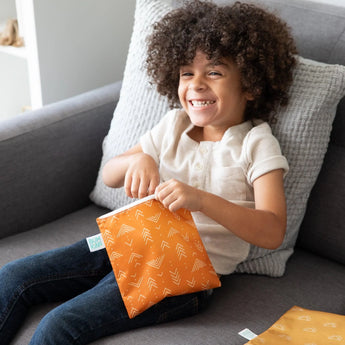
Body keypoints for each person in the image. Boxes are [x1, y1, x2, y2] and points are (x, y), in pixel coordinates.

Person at [0, 1, 297, 344]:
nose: (196, 84)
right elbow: (112, 174)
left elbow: (272, 230)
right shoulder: (173, 125)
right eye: (187, 73)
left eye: (214, 72)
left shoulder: (257, 143)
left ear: (250, 84)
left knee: (59, 325)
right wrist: (139, 161)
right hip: (125, 238)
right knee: (13, 277)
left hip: (184, 270)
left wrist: (200, 200)